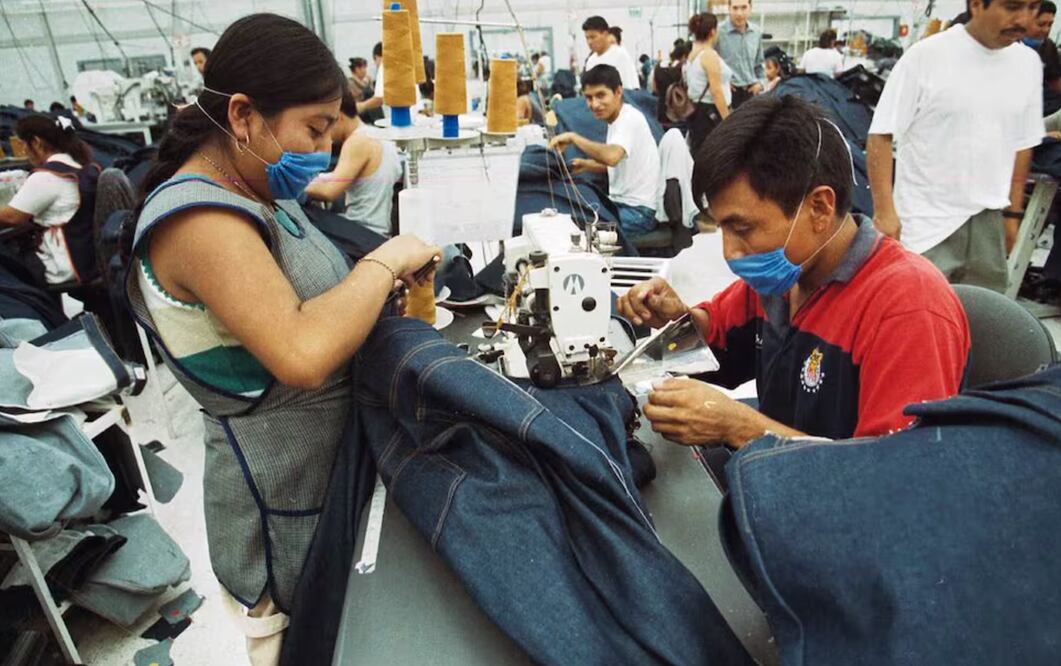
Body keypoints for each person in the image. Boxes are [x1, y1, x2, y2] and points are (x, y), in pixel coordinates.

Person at [125, 14, 439, 664]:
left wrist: (383, 291)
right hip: (283, 506)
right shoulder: (198, 219)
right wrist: (385, 263)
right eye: (314, 129)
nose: (324, 151)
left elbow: (320, 300)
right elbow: (300, 352)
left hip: (331, 478)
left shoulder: (262, 188)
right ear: (243, 115)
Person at [618, 95, 970, 446]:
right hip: (781, 480)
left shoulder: (907, 308)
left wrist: (743, 429)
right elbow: (717, 339)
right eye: (721, 228)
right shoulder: (781, 281)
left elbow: (894, 475)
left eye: (742, 228)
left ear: (819, 206)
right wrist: (677, 316)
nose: (729, 252)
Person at [867, 0, 1043, 293]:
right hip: (924, 224)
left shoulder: (1028, 65)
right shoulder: (926, 57)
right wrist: (885, 212)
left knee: (984, 322)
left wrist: (1013, 216)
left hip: (988, 221)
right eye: (1012, 7)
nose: (1024, 19)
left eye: (1032, 7)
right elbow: (881, 135)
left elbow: (1022, 144)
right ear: (976, 4)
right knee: (917, 319)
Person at [548, 65, 660, 238]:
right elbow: (620, 163)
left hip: (638, 214)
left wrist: (573, 138)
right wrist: (586, 165)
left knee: (577, 232)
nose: (594, 104)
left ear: (618, 92)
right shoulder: (616, 121)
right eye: (589, 98)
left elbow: (612, 157)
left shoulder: (628, 119)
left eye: (601, 95)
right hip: (622, 206)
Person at [0, 115, 100, 286]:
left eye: (24, 144)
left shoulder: (47, 177)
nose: (24, 150)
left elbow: (12, 217)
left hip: (60, 266)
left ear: (37, 142)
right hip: (86, 259)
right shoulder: (83, 168)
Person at [305, 92, 402, 237]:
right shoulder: (377, 135)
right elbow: (346, 176)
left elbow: (329, 190)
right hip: (378, 230)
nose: (325, 134)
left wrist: (292, 182)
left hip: (362, 231)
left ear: (339, 117)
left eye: (326, 125)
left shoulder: (357, 141)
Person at [685, 13, 733, 156]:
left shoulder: (693, 53)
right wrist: (728, 120)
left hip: (699, 112)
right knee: (716, 155)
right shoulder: (709, 55)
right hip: (712, 113)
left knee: (701, 153)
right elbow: (716, 91)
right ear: (713, 31)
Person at [717, 0, 765, 108]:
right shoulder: (718, 32)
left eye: (744, 7)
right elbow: (710, 63)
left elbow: (759, 64)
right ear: (729, 9)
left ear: (750, 8)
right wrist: (722, 83)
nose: (739, 13)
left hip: (751, 92)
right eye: (735, 8)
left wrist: (761, 83)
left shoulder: (756, 32)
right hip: (728, 92)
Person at [583, 16, 641, 90]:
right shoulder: (591, 61)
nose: (589, 42)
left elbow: (627, 88)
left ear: (605, 34)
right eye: (587, 38)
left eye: (593, 37)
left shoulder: (620, 55)